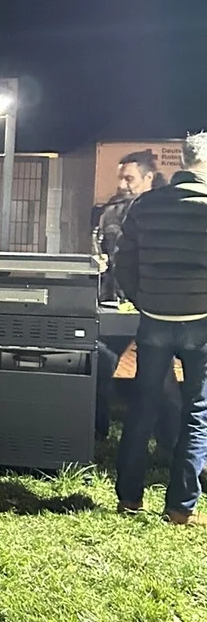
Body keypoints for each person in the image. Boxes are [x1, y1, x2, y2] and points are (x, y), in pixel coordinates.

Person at [114, 130, 207, 526]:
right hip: (201, 321)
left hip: (154, 319)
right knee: (197, 411)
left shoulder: (146, 206)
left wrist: (144, 300)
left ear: (183, 160)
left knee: (142, 407)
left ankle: (129, 499)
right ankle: (180, 508)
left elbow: (124, 261)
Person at [96, 150, 178, 445]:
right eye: (120, 178)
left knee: (163, 381)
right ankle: (96, 434)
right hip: (116, 304)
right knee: (100, 363)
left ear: (149, 178)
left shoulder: (166, 214)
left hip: (155, 306)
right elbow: (104, 256)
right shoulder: (111, 213)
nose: (122, 184)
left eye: (129, 178)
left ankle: (168, 444)